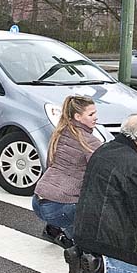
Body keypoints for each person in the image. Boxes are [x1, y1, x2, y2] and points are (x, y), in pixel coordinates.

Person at [64, 114, 137, 273]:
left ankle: (83, 254)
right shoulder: (136, 165)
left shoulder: (102, 150)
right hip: (108, 234)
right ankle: (102, 267)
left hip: (83, 229)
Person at [32, 95, 102, 248]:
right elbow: (100, 176)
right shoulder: (90, 142)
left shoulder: (60, 132)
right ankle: (75, 240)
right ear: (78, 116)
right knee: (97, 208)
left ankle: (53, 229)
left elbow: (49, 163)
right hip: (57, 208)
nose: (96, 117)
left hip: (37, 201)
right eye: (91, 114)